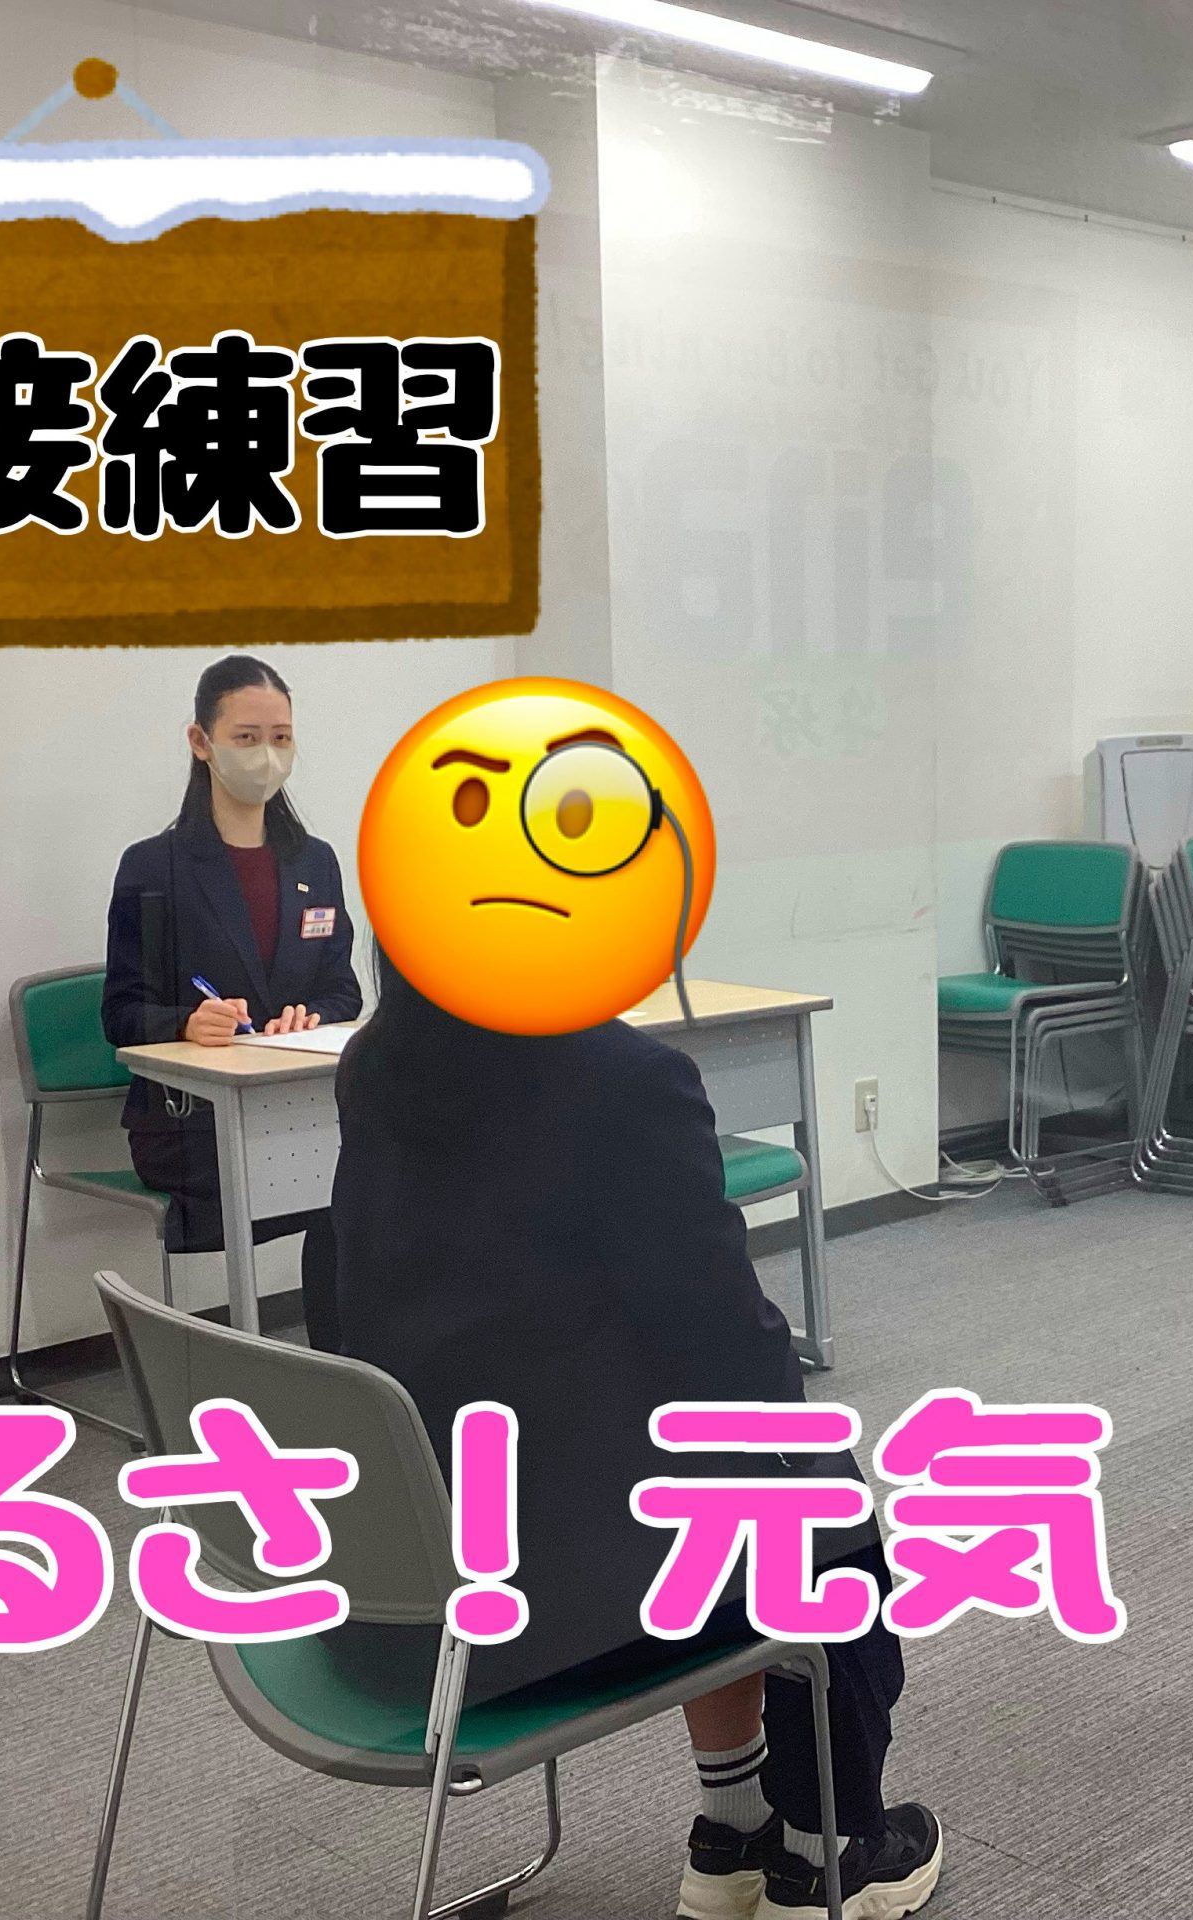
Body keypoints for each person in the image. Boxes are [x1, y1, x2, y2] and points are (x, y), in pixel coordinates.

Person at [331, 951, 942, 1920]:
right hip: (547, 1622)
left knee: (718, 1483)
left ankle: (732, 1830)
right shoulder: (622, 1079)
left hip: (399, 1598)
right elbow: (726, 1344)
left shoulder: (374, 1062)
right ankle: (824, 1854)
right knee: (824, 1518)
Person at [102, 655, 361, 1353]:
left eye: (281, 737)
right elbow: (121, 1013)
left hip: (298, 1110)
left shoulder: (315, 861)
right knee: (335, 1188)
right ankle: (277, 1377)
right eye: (246, 738)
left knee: (360, 1179)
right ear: (201, 742)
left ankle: (345, 1373)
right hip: (191, 1129)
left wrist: (312, 1015)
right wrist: (185, 1023)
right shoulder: (153, 866)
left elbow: (343, 989)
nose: (266, 755)